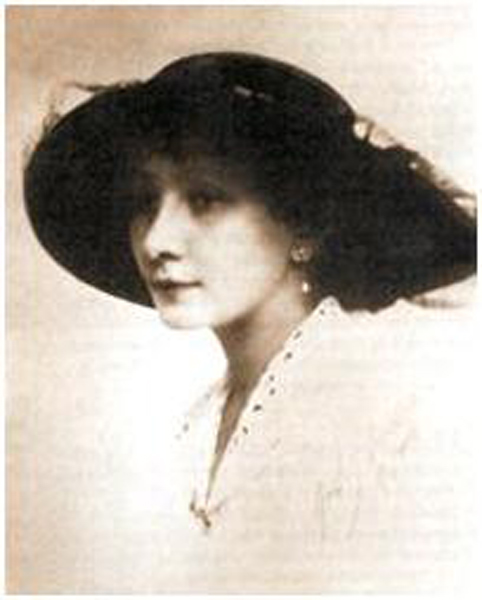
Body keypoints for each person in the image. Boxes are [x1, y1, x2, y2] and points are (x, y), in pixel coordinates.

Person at [24, 52, 477, 592]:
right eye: (144, 201)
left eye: (205, 199)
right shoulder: (191, 431)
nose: (156, 240)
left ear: (304, 225)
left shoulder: (386, 405)